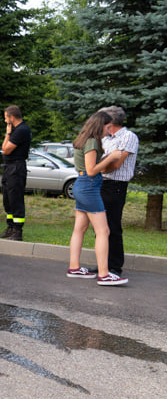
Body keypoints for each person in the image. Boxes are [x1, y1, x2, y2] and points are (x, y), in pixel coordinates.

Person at [66, 111, 126, 286]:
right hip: (89, 187)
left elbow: (88, 166)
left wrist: (105, 158)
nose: (109, 131)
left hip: (81, 184)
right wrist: (111, 158)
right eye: (108, 127)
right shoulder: (92, 141)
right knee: (103, 231)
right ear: (101, 125)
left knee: (80, 229)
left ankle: (74, 267)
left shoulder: (83, 139)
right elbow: (92, 170)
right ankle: (104, 274)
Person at [98, 106, 138, 278]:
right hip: (101, 183)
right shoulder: (105, 139)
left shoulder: (129, 137)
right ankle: (102, 265)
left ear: (111, 121)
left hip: (116, 185)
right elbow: (101, 162)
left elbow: (116, 164)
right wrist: (105, 162)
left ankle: (114, 267)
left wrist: (101, 165)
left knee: (113, 226)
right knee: (101, 228)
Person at [0, 105, 31, 241]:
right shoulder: (16, 129)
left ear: (12, 117)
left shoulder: (21, 130)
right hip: (9, 167)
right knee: (8, 198)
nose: (5, 121)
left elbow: (6, 150)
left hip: (16, 167)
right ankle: (10, 227)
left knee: (15, 198)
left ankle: (17, 231)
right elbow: (4, 149)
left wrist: (8, 133)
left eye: (6, 118)